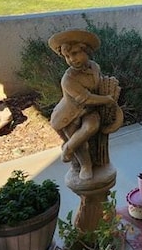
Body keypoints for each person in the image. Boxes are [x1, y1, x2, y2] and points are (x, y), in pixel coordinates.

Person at [48, 30, 122, 181]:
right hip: (69, 115)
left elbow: (98, 84)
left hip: (88, 111)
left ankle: (70, 147)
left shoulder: (94, 67)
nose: (71, 59)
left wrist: (110, 87)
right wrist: (107, 99)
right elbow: (85, 98)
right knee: (81, 144)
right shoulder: (68, 79)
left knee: (92, 126)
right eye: (67, 56)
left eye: (75, 53)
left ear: (86, 50)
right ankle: (83, 164)